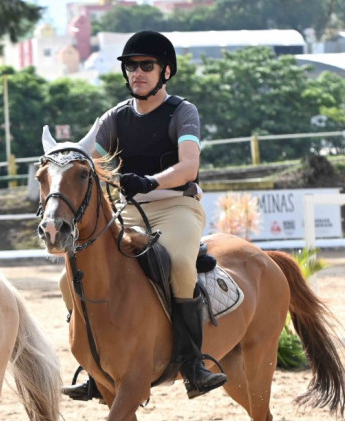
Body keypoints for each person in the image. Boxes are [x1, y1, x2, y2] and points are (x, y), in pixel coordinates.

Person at [62, 30, 227, 402]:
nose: (137, 72)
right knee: (67, 278)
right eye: (131, 66)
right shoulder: (115, 118)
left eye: (146, 66)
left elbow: (188, 167)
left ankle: (193, 365)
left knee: (180, 264)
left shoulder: (182, 112)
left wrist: (151, 181)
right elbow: (86, 157)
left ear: (165, 71)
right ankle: (95, 367)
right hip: (128, 213)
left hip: (176, 207)